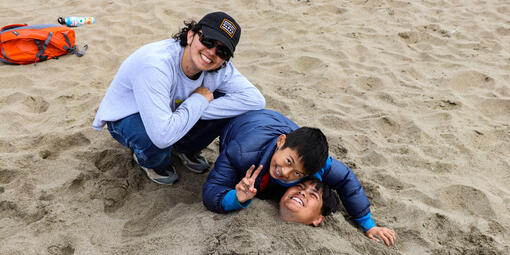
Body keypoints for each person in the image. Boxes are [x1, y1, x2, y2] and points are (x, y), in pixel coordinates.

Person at [92, 12, 265, 185]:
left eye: (222, 51)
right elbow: (162, 136)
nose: (212, 52)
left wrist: (196, 107)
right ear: (191, 35)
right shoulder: (156, 63)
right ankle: (150, 162)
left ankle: (185, 147)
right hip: (128, 114)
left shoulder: (220, 68)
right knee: (155, 143)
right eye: (208, 41)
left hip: (171, 113)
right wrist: (198, 100)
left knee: (230, 103)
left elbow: (255, 100)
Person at [202, 109, 396, 245]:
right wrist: (236, 199)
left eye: (297, 173)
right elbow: (212, 191)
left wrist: (368, 225)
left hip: (283, 126)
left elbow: (347, 180)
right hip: (242, 125)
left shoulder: (317, 164)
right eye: (288, 161)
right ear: (281, 142)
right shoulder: (241, 152)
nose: (286, 172)